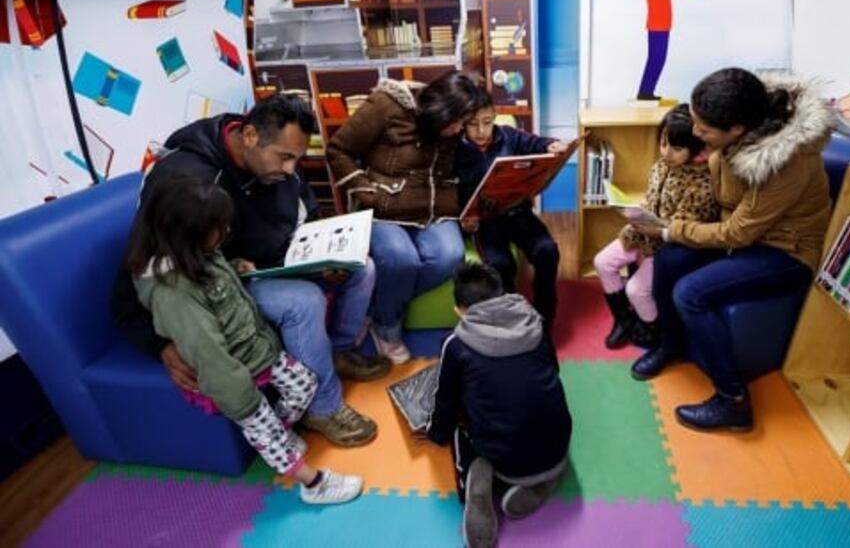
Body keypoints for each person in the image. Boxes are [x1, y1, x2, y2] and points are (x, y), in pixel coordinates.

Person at [111, 95, 384, 448]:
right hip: (224, 281)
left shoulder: (279, 161)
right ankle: (323, 407)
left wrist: (326, 252)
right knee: (304, 301)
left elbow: (307, 211)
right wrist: (159, 344)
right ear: (250, 136)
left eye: (297, 159)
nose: (291, 170)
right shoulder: (185, 179)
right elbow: (140, 267)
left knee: (363, 268)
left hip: (280, 260)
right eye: (284, 157)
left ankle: (335, 351)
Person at [128, 178, 362, 504]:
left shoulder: (199, 253)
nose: (226, 232)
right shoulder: (174, 294)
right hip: (232, 375)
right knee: (267, 433)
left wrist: (234, 268)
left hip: (259, 349)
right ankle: (313, 484)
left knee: (305, 384)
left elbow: (219, 292)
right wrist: (245, 401)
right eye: (219, 227)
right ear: (189, 232)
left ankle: (278, 432)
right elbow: (208, 354)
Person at [630, 68, 833, 433]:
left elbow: (738, 232)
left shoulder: (786, 162)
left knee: (690, 293)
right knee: (669, 258)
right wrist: (671, 230)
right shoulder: (738, 131)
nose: (695, 133)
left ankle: (733, 401)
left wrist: (672, 229)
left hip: (786, 251)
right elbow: (729, 202)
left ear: (736, 130)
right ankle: (670, 345)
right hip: (750, 235)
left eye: (704, 130)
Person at [327, 71, 480, 364]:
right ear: (439, 112)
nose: (459, 129)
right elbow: (338, 150)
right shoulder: (385, 105)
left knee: (450, 255)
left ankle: (375, 310)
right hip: (385, 209)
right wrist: (363, 188)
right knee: (401, 260)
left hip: (435, 211)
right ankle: (388, 329)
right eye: (456, 122)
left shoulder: (453, 131)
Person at [423, 263, 572, 548]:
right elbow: (553, 369)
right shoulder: (536, 322)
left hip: (504, 455)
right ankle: (544, 480)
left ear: (460, 310)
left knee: (456, 423)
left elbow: (445, 402)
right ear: (503, 296)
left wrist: (436, 433)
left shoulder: (455, 344)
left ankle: (474, 484)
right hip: (557, 444)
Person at [593, 103, 718, 350]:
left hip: (668, 244)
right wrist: (635, 214)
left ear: (695, 147)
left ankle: (652, 329)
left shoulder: (703, 182)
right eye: (663, 143)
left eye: (677, 148)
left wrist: (653, 229)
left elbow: (685, 226)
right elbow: (652, 200)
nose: (666, 152)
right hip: (644, 232)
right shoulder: (661, 166)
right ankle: (624, 320)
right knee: (602, 262)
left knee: (636, 290)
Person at [456, 87, 566, 330]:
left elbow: (537, 142)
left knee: (547, 250)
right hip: (486, 223)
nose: (481, 131)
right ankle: (514, 318)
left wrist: (552, 144)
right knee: (500, 265)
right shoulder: (456, 149)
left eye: (487, 122)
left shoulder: (508, 136)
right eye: (473, 124)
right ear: (463, 122)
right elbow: (451, 196)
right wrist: (463, 220)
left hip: (518, 213)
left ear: (494, 116)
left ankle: (545, 316)